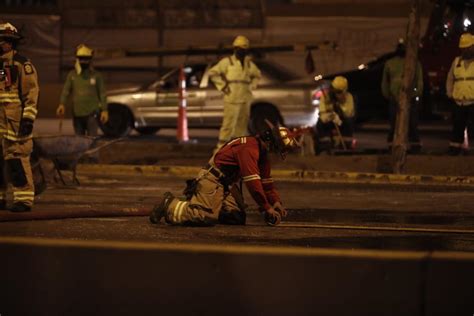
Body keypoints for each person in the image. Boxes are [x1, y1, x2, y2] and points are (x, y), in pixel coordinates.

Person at [149, 121, 301, 227]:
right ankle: (169, 204)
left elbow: (267, 184)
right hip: (213, 179)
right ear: (271, 143)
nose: (278, 153)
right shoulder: (249, 149)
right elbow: (254, 185)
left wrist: (276, 203)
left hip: (226, 183)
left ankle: (204, 202)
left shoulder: (261, 154)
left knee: (236, 217)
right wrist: (267, 208)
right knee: (204, 217)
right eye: (279, 148)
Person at [0, 22, 39, 212]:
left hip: (14, 123)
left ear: (10, 43)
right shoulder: (1, 65)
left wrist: (28, 119)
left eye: (2, 41)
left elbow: (31, 94)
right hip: (1, 124)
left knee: (16, 158)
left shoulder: (22, 64)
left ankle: (23, 199)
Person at [208, 35, 261, 150]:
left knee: (241, 127)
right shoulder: (227, 62)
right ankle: (220, 150)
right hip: (231, 99)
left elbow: (257, 75)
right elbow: (212, 73)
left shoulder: (248, 63)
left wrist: (252, 86)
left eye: (244, 50)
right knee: (228, 125)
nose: (241, 52)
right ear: (235, 49)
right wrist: (223, 86)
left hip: (245, 99)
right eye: (239, 49)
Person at [381, 39, 423, 152]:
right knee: (394, 123)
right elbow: (385, 82)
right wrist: (388, 95)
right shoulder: (390, 63)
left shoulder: (414, 63)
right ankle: (392, 145)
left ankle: (415, 146)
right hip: (395, 98)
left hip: (410, 99)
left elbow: (419, 81)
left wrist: (415, 94)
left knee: (412, 123)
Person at [57, 44, 108, 136]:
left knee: (92, 141)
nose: (84, 61)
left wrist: (104, 110)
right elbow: (66, 91)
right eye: (81, 59)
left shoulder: (96, 76)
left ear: (90, 60)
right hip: (77, 114)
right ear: (78, 60)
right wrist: (62, 104)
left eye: (86, 59)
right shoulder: (72, 75)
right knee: (79, 141)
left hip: (92, 114)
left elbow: (102, 93)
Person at [446, 33, 474, 155]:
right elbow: (450, 78)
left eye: (468, 47)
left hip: (473, 101)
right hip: (458, 101)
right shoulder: (456, 62)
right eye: (464, 48)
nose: (466, 50)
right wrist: (449, 92)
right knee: (457, 126)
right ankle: (454, 149)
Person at [316, 76, 355, 153]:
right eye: (335, 91)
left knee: (349, 122)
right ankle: (325, 144)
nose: (337, 93)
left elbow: (349, 113)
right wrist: (330, 115)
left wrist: (340, 106)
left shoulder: (349, 97)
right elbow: (322, 113)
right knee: (320, 123)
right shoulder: (325, 97)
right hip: (329, 120)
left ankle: (346, 143)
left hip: (342, 121)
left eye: (339, 92)